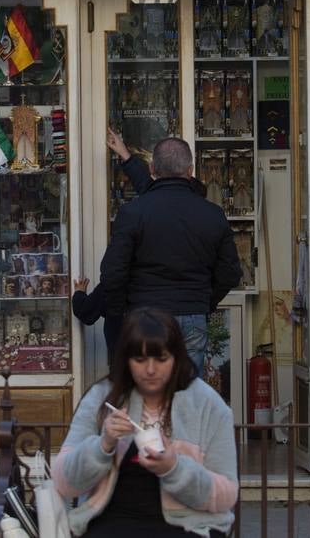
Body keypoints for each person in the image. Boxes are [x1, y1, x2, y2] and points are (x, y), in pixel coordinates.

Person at [54, 308, 237, 537]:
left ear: (176, 357)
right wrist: (103, 446)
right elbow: (64, 481)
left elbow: (227, 495)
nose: (150, 370)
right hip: (113, 523)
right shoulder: (102, 398)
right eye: (139, 359)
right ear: (126, 360)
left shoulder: (207, 404)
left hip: (191, 525)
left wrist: (175, 469)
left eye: (161, 359)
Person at [101, 137, 241, 377]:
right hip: (192, 315)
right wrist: (203, 302)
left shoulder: (133, 212)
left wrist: (121, 312)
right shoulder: (213, 215)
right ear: (190, 170)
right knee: (186, 397)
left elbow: (113, 273)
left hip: (146, 316)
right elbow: (230, 272)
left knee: (148, 395)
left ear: (153, 168)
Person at [71, 274, 121, 368]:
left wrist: (79, 293)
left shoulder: (113, 282)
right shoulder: (154, 282)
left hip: (120, 361)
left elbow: (85, 311)